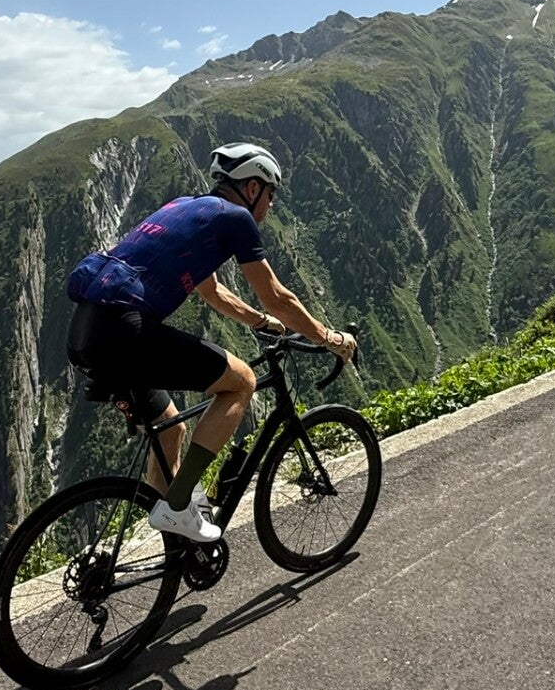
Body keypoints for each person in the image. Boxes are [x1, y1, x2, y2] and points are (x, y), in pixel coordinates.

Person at [64, 142, 358, 543]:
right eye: (270, 194)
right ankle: (176, 506)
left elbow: (212, 291)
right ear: (252, 188)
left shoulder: (188, 208)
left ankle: (175, 550)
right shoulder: (236, 218)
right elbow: (277, 295)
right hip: (125, 331)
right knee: (241, 382)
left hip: (88, 332)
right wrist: (330, 338)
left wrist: (261, 322)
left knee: (169, 430)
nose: (270, 205)